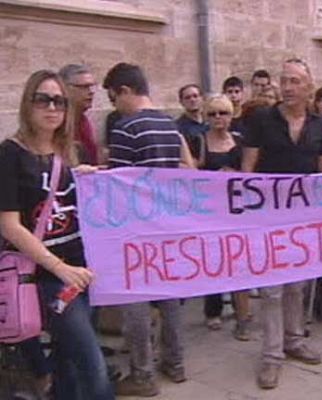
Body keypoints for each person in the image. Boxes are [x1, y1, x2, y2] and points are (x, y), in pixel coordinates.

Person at [0, 69, 114, 399]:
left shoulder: (69, 149)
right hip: (46, 274)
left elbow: (57, 193)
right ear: (28, 104)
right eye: (43, 99)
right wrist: (59, 269)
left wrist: (80, 177)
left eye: (60, 102)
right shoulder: (9, 154)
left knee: (67, 358)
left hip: (82, 266)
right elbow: (9, 224)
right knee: (93, 364)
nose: (52, 108)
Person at [242, 58, 322, 390]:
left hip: (303, 219)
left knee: (297, 284)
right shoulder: (261, 119)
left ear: (309, 86)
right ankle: (272, 355)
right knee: (272, 288)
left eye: (295, 81)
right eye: (284, 80)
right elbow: (248, 167)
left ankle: (294, 340)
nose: (288, 87)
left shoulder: (320, 125)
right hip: (268, 215)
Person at [103, 62, 187, 396]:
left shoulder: (125, 128)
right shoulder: (170, 124)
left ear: (125, 91)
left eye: (113, 98)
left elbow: (118, 184)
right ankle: (176, 363)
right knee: (169, 298)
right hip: (167, 224)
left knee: (135, 300)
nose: (113, 106)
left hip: (136, 227)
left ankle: (143, 374)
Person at [188, 94, 252, 340]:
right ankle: (212, 310)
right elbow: (189, 172)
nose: (218, 118)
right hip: (210, 211)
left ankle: (242, 314)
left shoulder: (240, 141)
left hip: (236, 210)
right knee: (213, 261)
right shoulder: (199, 141)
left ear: (230, 115)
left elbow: (251, 170)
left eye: (222, 113)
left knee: (239, 261)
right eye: (212, 113)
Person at [58, 64, 100, 165]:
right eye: (84, 87)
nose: (91, 92)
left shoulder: (83, 121)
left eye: (92, 86)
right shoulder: (56, 122)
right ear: (65, 89)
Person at [175, 83, 209, 155]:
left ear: (202, 98)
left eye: (195, 96)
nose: (192, 100)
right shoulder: (177, 127)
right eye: (188, 97)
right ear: (181, 102)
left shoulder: (211, 121)